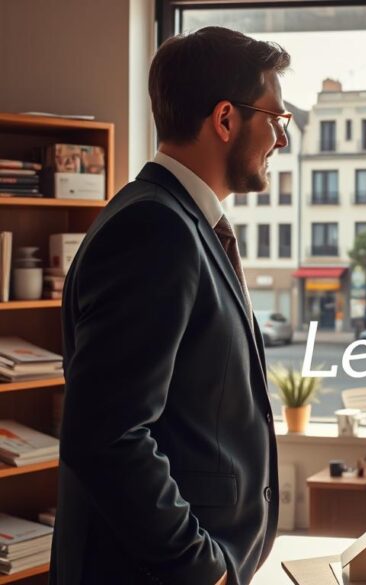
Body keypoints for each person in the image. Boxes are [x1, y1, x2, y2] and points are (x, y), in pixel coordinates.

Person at [51, 27, 290, 585]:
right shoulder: (155, 228)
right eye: (276, 118)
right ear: (225, 119)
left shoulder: (176, 221)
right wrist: (204, 570)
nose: (282, 138)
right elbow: (108, 434)